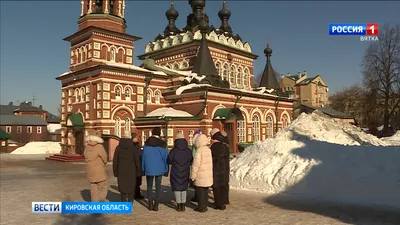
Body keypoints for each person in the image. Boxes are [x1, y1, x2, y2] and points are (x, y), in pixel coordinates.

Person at [142, 127, 169, 211]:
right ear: (159, 133)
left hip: (149, 167)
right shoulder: (163, 144)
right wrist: (166, 169)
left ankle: (150, 204)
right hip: (159, 168)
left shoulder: (146, 144)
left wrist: (143, 168)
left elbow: (143, 157)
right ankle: (156, 205)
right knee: (158, 187)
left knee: (149, 186)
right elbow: (166, 158)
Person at [113, 131, 141, 202]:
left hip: (121, 170)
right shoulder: (133, 147)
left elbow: (115, 161)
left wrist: (115, 171)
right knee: (131, 189)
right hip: (132, 170)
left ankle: (124, 205)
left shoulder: (118, 148)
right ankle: (129, 205)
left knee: (123, 189)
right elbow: (137, 160)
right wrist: (138, 171)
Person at [168, 133, 193, 212]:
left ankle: (179, 205)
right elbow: (191, 160)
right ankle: (183, 205)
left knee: (177, 188)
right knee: (184, 188)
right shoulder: (188, 151)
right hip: (185, 171)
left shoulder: (173, 151)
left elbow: (169, 160)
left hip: (175, 171)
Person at [83, 130, 108, 202]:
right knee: (102, 188)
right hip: (99, 171)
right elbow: (105, 157)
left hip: (90, 171)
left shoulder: (87, 147)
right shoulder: (99, 146)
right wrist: (104, 163)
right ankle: (101, 203)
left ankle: (94, 204)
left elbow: (85, 156)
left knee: (93, 189)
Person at [190, 133, 213, 213]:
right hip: (207, 174)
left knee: (200, 192)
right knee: (206, 191)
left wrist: (193, 175)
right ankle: (205, 206)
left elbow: (196, 164)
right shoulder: (208, 149)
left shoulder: (199, 150)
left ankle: (201, 207)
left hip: (200, 175)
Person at [210, 128, 229, 210]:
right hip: (225, 167)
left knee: (216, 186)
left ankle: (219, 204)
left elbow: (213, 158)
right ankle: (224, 200)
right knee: (223, 184)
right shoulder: (225, 144)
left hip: (216, 168)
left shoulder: (214, 146)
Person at [190, 129, 201, 202]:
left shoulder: (194, 146)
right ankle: (200, 197)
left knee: (196, 181)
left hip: (195, 164)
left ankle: (197, 196)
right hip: (202, 165)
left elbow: (193, 155)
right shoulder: (202, 145)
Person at [132, 133, 145, 200]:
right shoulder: (132, 146)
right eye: (136, 137)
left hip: (138, 164)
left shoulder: (137, 145)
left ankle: (137, 193)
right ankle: (135, 193)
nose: (138, 138)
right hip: (134, 165)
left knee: (138, 181)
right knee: (135, 181)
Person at [220, 131, 230, 205]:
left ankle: (223, 199)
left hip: (223, 165)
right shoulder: (227, 144)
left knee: (223, 183)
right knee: (226, 183)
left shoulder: (223, 145)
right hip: (226, 165)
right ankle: (226, 199)